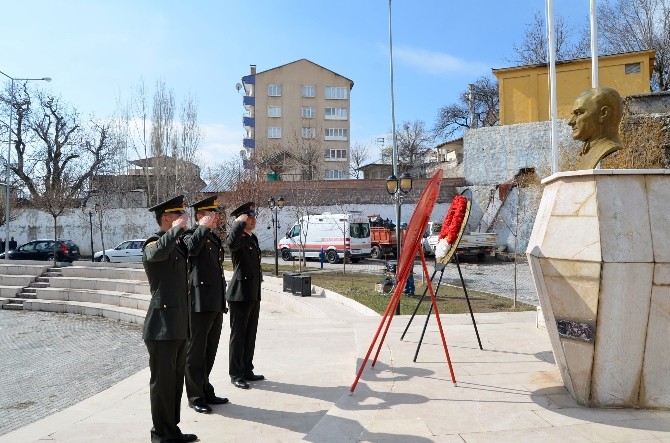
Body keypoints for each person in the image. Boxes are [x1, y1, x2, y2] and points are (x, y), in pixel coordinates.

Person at [142, 195, 197, 443]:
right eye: (178, 215)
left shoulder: (177, 244)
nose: (183, 218)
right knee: (162, 384)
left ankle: (171, 429)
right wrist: (175, 231)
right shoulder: (153, 244)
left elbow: (193, 247)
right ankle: (160, 434)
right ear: (166, 219)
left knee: (175, 383)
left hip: (178, 324)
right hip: (161, 327)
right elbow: (156, 255)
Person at [182, 195, 229, 414]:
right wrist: (201, 227)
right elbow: (190, 251)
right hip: (198, 302)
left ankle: (205, 388)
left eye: (216, 213)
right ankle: (194, 396)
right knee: (195, 352)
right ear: (200, 215)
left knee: (210, 350)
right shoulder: (191, 234)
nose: (216, 216)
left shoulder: (212, 237)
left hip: (214, 301)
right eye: (211, 213)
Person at [225, 201, 265, 390]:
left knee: (250, 334)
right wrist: (237, 224)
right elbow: (231, 245)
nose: (253, 219)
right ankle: (236, 374)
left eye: (253, 216)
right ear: (242, 219)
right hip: (239, 294)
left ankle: (247, 369)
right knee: (238, 335)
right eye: (249, 216)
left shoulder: (252, 238)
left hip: (253, 292)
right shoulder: (238, 237)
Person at [568, 87, 624, 170]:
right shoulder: (587, 152)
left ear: (603, 114)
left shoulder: (606, 149)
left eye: (579, 113)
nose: (571, 122)